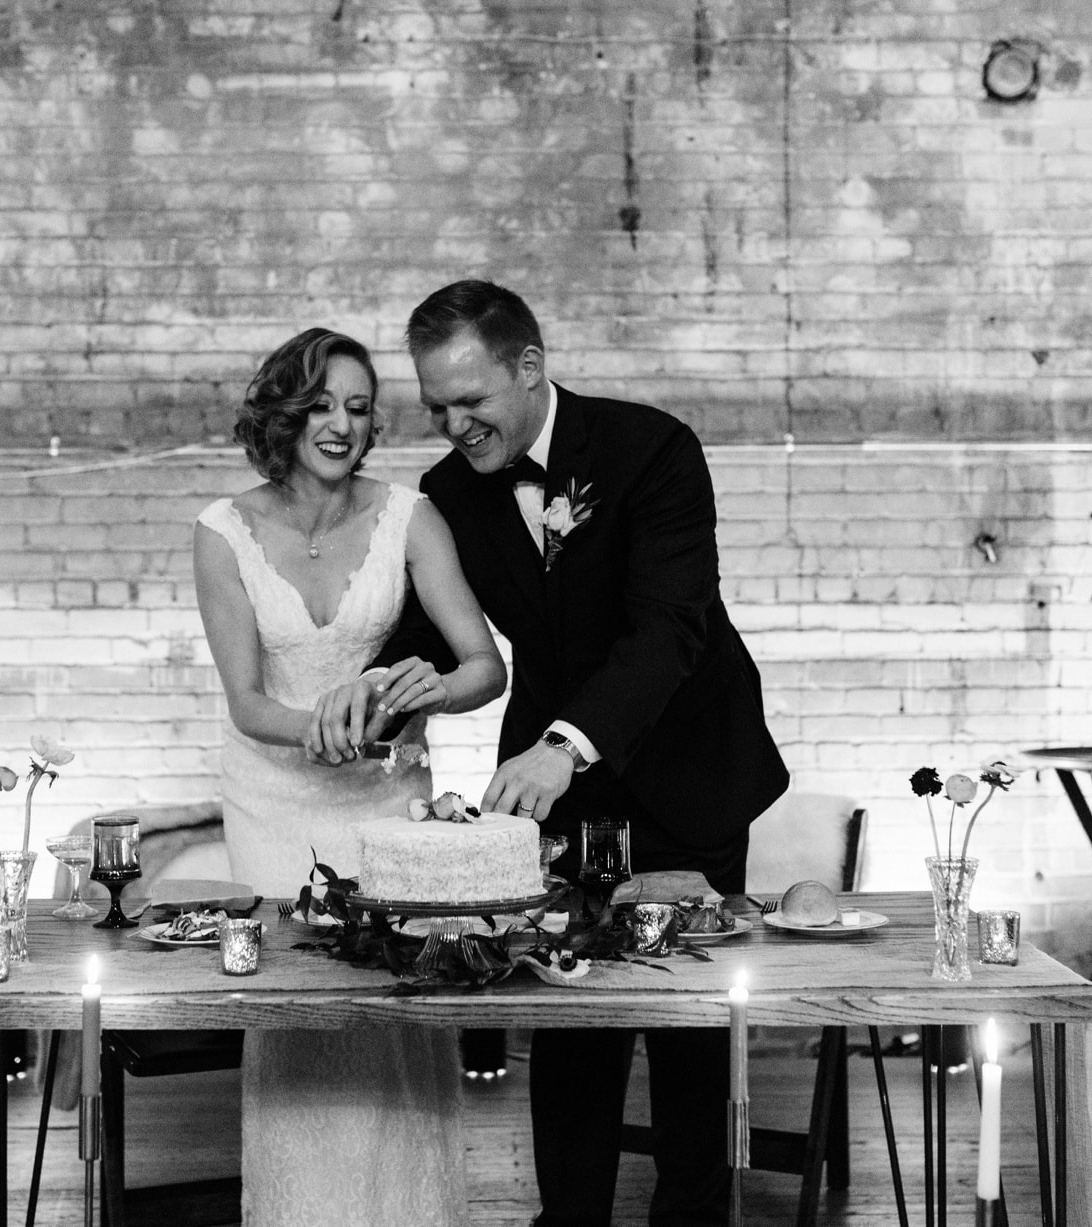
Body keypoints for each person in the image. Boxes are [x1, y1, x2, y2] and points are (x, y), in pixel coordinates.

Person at [328, 281, 791, 1227]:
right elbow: (431, 625)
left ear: (530, 368)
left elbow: (669, 629)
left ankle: (694, 1219)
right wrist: (376, 689)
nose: (455, 425)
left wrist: (564, 744)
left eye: (473, 400)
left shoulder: (652, 448)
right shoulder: (454, 492)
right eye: (438, 406)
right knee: (569, 1021)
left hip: (685, 770)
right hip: (558, 801)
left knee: (692, 1032)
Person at [192, 326, 506, 1227]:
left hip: (386, 801)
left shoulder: (411, 516)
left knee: (398, 1009)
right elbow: (249, 703)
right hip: (271, 802)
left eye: (360, 408)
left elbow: (485, 665)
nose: (341, 423)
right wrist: (322, 724)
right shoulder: (222, 532)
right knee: (295, 1017)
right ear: (285, 413)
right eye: (323, 404)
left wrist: (425, 691)